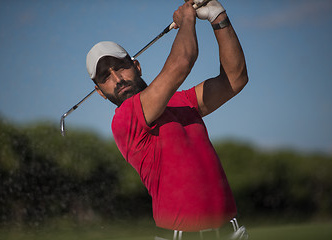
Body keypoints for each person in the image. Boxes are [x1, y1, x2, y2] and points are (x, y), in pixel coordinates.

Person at [86, 0, 248, 238]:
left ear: (137, 66)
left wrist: (217, 15)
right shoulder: (125, 118)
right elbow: (182, 62)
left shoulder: (182, 100)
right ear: (100, 91)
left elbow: (235, 79)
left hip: (230, 232)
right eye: (105, 77)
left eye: (120, 67)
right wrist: (187, 19)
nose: (117, 79)